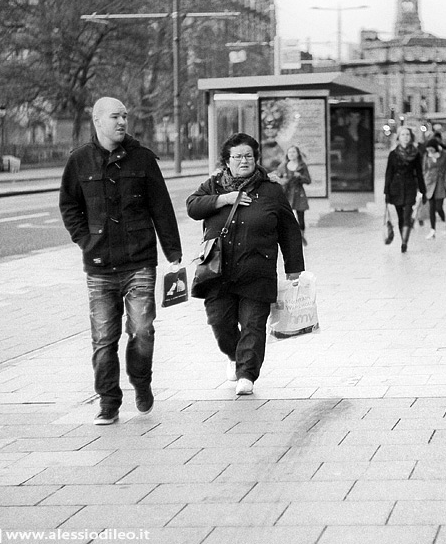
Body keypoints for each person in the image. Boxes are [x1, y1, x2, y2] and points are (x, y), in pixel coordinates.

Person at [59, 96, 183, 426]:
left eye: (125, 116)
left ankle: (141, 382)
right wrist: (85, 240)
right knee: (103, 338)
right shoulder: (79, 161)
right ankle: (109, 401)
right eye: (115, 116)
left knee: (142, 330)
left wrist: (174, 255)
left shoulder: (142, 159)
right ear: (98, 121)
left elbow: (161, 207)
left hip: (139, 260)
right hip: (99, 265)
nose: (122, 122)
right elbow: (69, 206)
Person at [186, 133, 304, 396]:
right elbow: (192, 207)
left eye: (248, 156)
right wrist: (225, 199)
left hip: (256, 270)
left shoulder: (271, 189)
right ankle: (234, 355)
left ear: (256, 159)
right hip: (218, 271)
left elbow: (289, 230)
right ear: (227, 161)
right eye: (237, 156)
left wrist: (294, 269)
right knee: (219, 321)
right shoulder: (215, 185)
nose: (243, 161)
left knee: (253, 323)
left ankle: (247, 374)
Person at [383, 126, 426, 253]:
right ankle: (403, 237)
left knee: (407, 215)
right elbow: (388, 173)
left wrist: (423, 191)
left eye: (407, 134)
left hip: (409, 186)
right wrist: (386, 192)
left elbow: (419, 172)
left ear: (411, 137)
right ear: (398, 137)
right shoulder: (393, 154)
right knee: (401, 217)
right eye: (403, 134)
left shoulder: (416, 154)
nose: (405, 137)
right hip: (395, 188)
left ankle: (404, 242)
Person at [274, 145, 312, 246]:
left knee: (301, 216)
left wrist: (300, 177)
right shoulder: (283, 166)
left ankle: (302, 236)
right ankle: (288, 236)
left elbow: (308, 180)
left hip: (299, 193)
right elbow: (277, 179)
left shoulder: (302, 166)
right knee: (287, 215)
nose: (291, 154)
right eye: (290, 152)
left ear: (298, 154)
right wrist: (282, 181)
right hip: (287, 193)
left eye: (293, 152)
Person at [421, 137, 446, 239]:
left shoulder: (445, 154)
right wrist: (422, 185)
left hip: (440, 182)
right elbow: (424, 170)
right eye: (428, 149)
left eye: (431, 149)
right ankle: (432, 230)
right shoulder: (427, 155)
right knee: (431, 207)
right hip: (429, 183)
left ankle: (444, 221)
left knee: (438, 207)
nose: (430, 151)